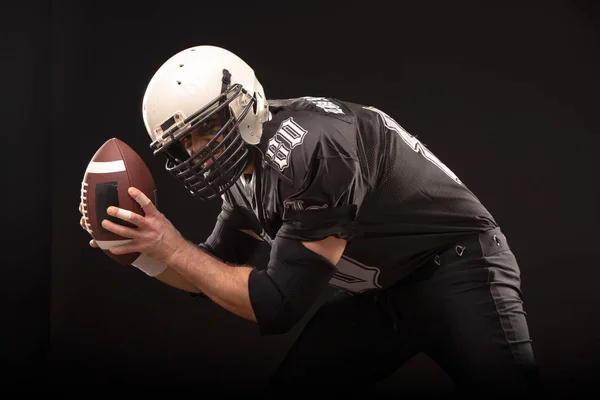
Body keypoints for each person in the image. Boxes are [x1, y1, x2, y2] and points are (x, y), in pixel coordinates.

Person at [79, 45, 540, 392]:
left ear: (243, 104)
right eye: (183, 143)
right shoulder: (246, 171)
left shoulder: (312, 146)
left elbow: (277, 305)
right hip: (382, 293)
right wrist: (141, 248)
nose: (198, 151)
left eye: (205, 128)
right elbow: (209, 272)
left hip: (458, 270)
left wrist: (174, 248)